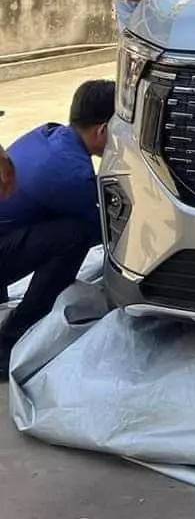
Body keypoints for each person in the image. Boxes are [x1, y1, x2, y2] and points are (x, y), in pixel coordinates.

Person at [0, 80, 116, 380]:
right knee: (75, 235)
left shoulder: (46, 133)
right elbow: (107, 229)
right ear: (103, 130)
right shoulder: (73, 173)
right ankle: (11, 341)